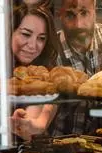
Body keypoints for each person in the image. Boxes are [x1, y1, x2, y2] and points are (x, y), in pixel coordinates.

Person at [12, 0, 102, 139]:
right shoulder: (52, 49)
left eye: (84, 13)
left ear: (95, 13)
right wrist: (35, 124)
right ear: (60, 15)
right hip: (65, 142)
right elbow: (47, 96)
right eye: (70, 15)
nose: (78, 24)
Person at [10, 5, 61, 140]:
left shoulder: (46, 76)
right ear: (9, 31)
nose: (33, 45)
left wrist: (30, 125)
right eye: (26, 34)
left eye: (41, 38)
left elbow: (41, 116)